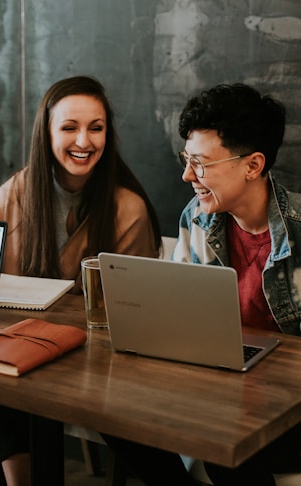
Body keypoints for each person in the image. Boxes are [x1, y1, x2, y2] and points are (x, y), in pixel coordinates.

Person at [104, 83, 301, 485]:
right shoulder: (198, 217)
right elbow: (182, 321)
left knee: (224, 444)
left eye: (201, 163)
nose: (187, 174)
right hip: (224, 385)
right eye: (186, 159)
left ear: (252, 165)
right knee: (112, 413)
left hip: (289, 407)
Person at [0, 75, 161, 486]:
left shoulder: (127, 208)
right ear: (47, 133)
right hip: (25, 349)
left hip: (96, 363)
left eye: (96, 128)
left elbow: (135, 312)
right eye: (69, 127)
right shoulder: (23, 187)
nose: (84, 141)